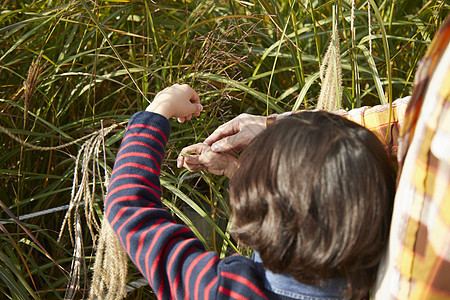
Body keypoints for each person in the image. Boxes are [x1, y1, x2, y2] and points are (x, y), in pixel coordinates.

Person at [182, 17, 450, 300]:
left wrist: (155, 115)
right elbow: (411, 124)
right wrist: (267, 144)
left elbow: (139, 218)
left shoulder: (228, 288)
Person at [106, 83, 396, 299]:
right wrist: (234, 170)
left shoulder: (223, 292)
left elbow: (130, 210)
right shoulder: (379, 286)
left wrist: (158, 110)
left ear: (254, 203)